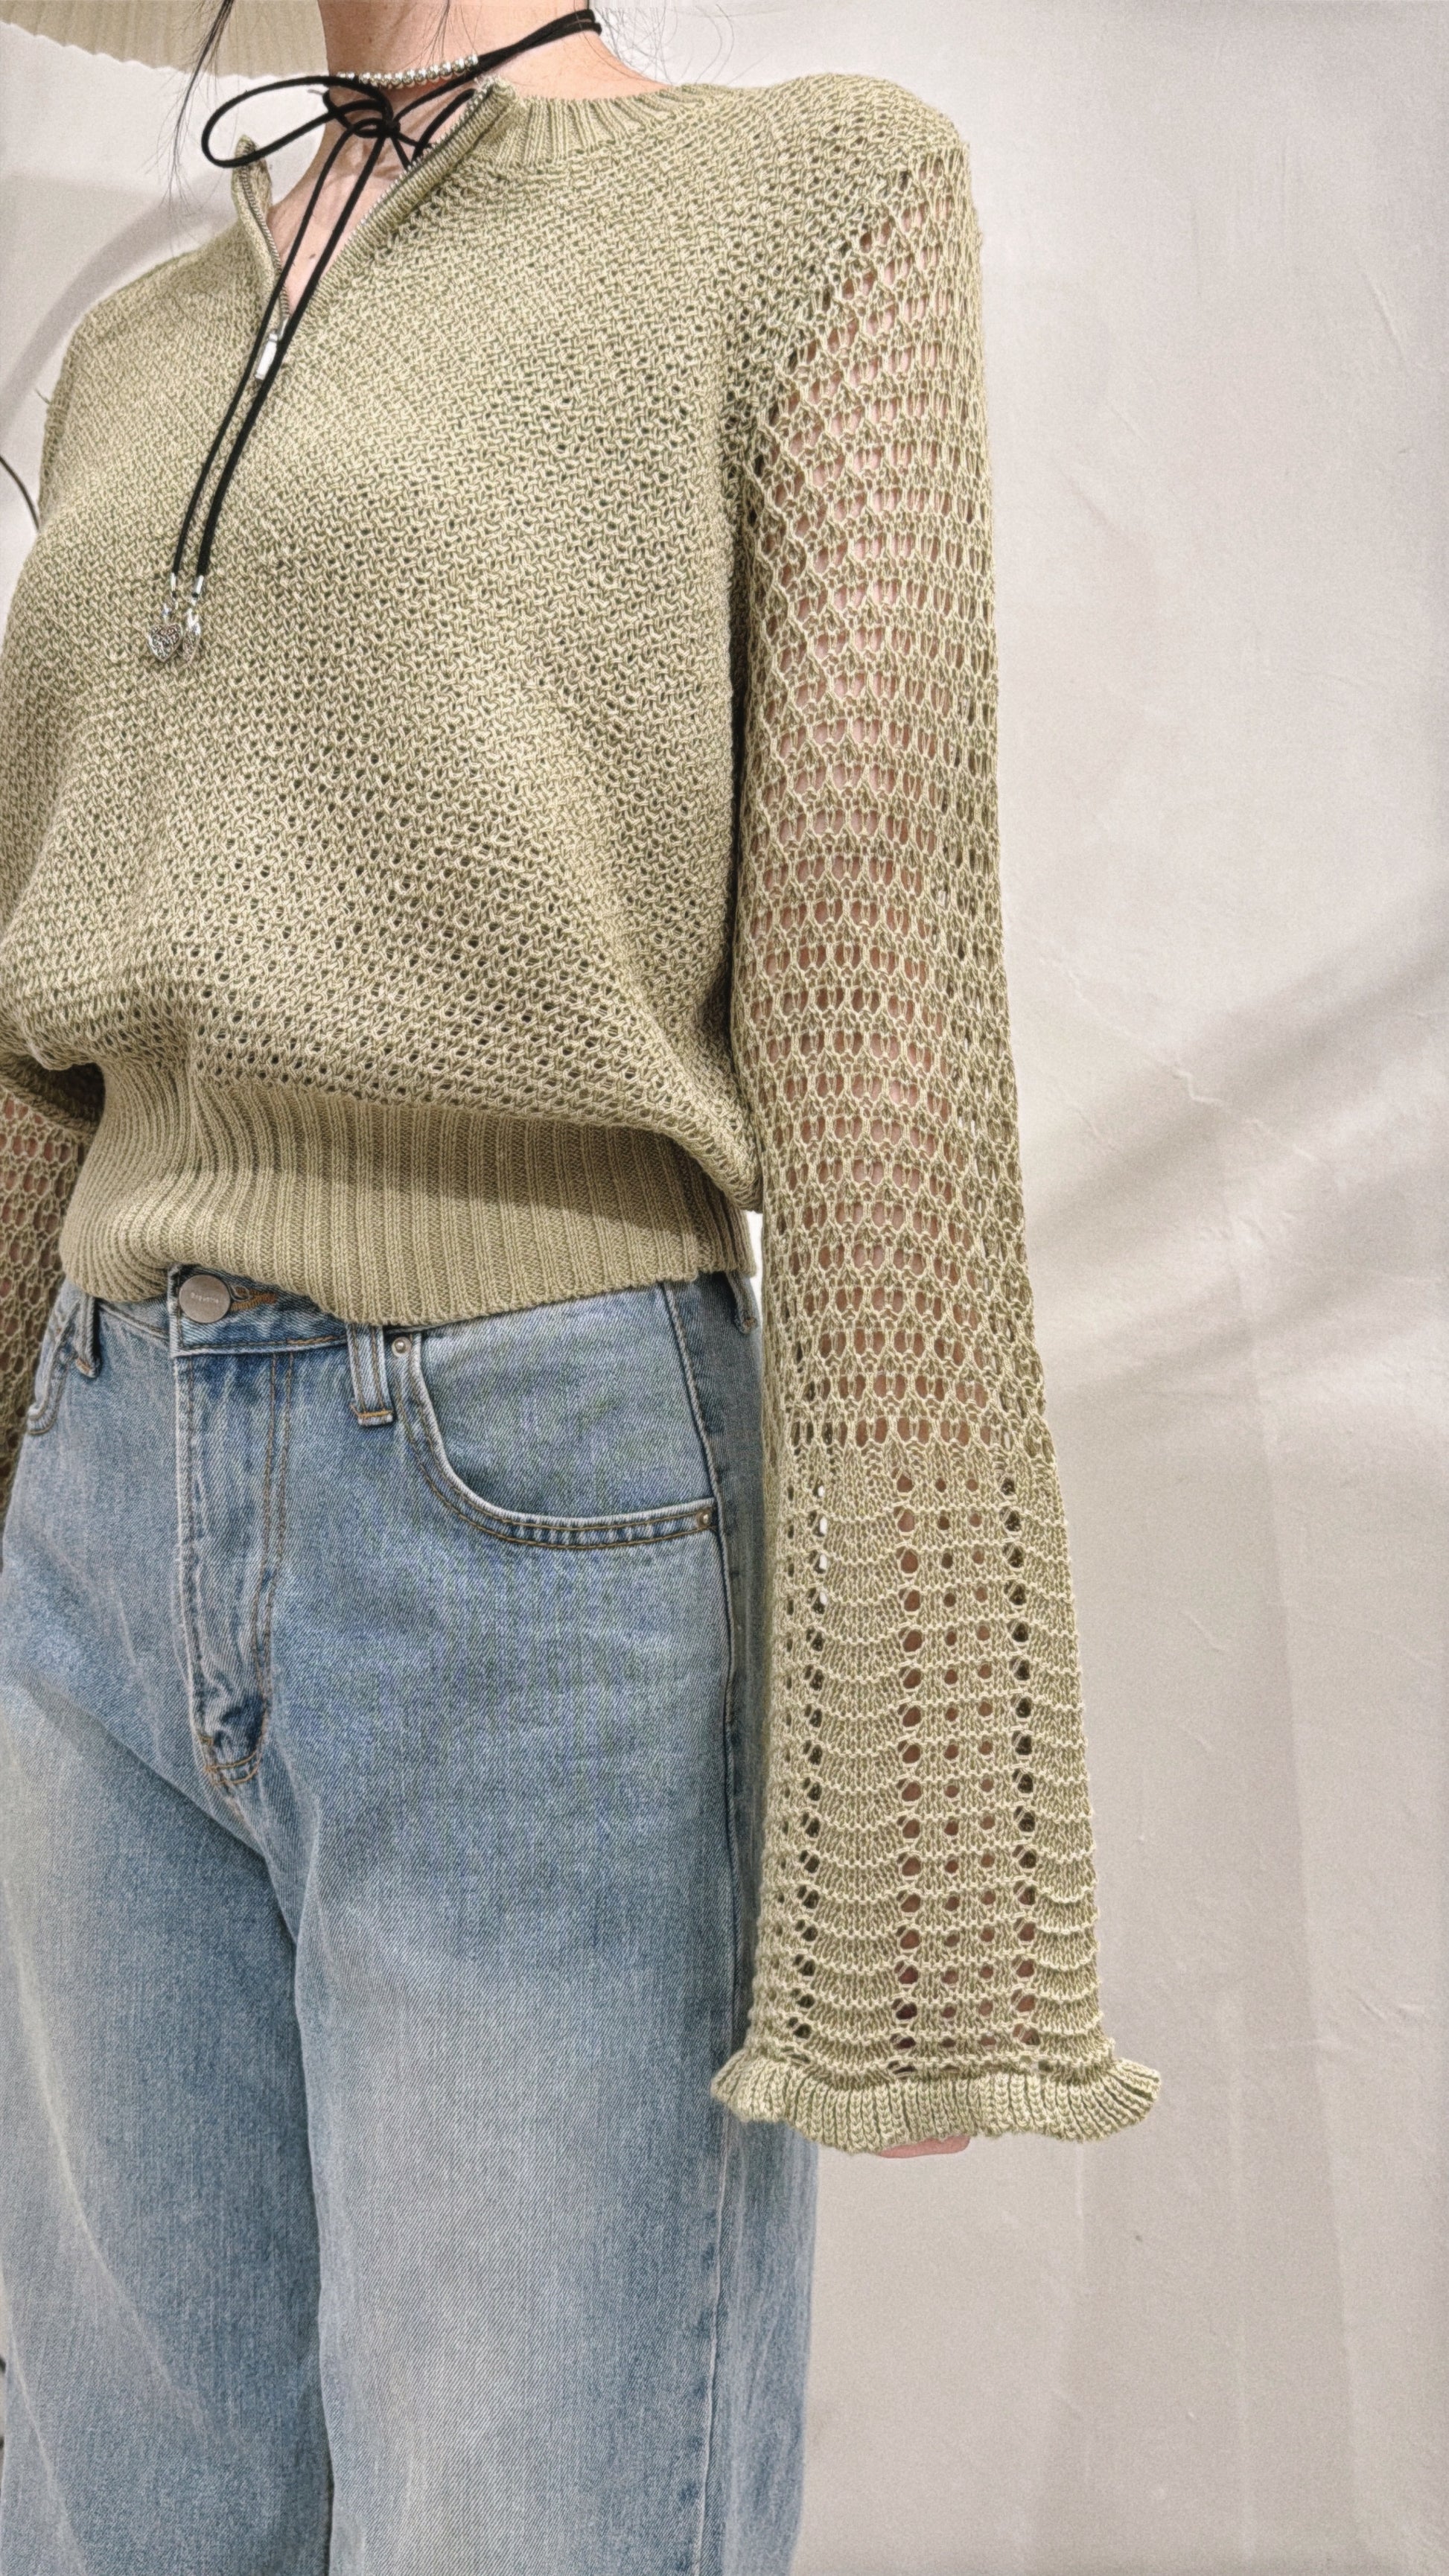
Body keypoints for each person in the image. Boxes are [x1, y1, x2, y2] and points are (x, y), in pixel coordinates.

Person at [0, 2, 1159, 2568]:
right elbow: (37, 1026)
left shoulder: (803, 208)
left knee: (536, 2506)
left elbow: (869, 966)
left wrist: (923, 1830)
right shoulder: (146, 339)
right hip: (91, 1493)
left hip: (529, 1509)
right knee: (113, 2501)